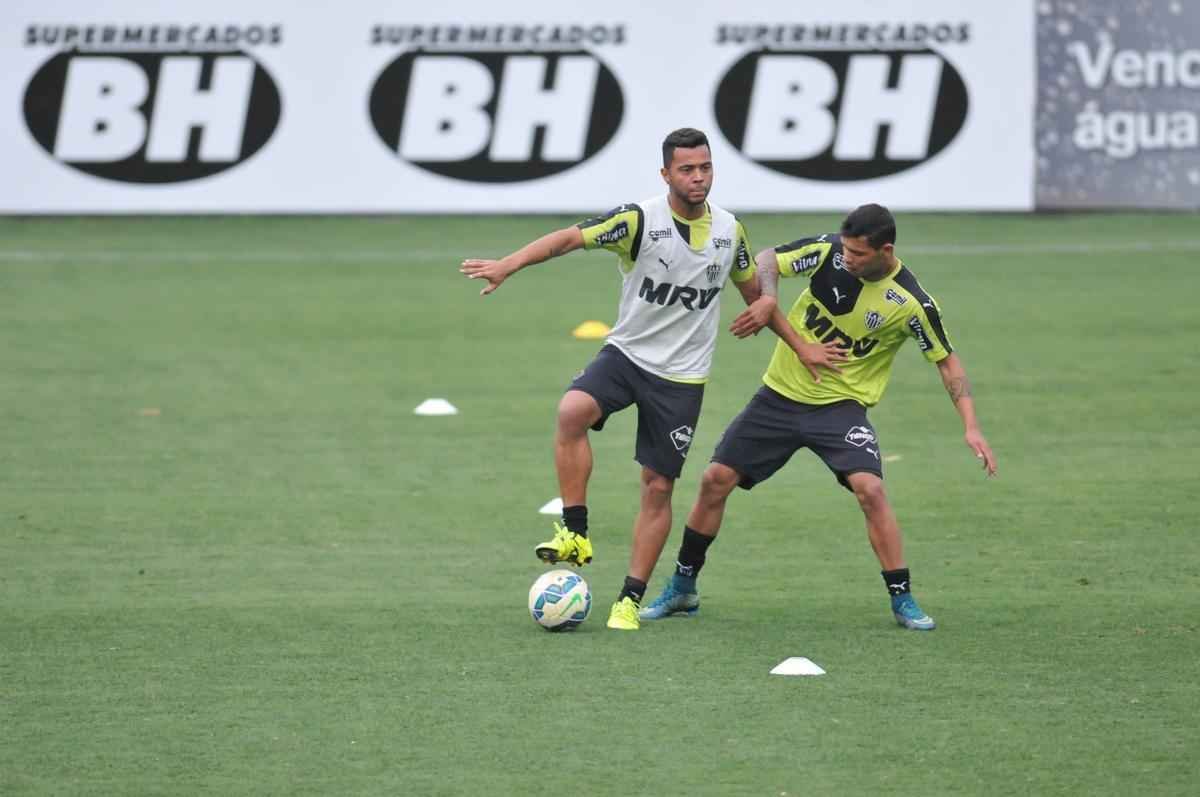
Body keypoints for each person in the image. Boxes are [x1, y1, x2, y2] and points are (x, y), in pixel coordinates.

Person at [460, 128, 768, 631]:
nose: (698, 177)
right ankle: (574, 532)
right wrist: (509, 265)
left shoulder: (730, 231)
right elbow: (568, 239)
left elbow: (755, 291)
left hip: (682, 377)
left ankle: (629, 598)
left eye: (705, 167)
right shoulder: (638, 221)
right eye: (687, 169)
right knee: (571, 411)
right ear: (665, 174)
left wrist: (781, 323)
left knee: (658, 486)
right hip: (627, 354)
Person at [639, 203, 997, 631]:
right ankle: (683, 586)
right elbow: (767, 259)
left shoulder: (912, 303)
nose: (848, 258)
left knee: (871, 490)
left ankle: (903, 599)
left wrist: (971, 426)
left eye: (858, 253)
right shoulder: (828, 252)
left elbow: (947, 362)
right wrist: (769, 298)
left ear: (885, 251)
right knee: (715, 479)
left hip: (840, 409)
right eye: (846, 248)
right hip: (777, 398)